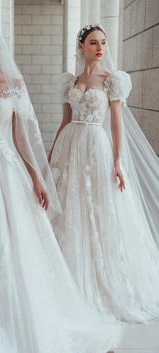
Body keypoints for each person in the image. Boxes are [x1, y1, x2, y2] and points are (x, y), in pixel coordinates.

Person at [0, 16, 121, 353]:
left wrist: (36, 178)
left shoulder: (14, 84)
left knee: (4, 239)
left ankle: (2, 310)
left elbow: (20, 137)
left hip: (4, 170)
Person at [49, 24, 159, 323]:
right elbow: (64, 121)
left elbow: (116, 124)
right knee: (70, 205)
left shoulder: (113, 81)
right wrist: (51, 154)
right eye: (94, 42)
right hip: (70, 145)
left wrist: (117, 162)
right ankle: (67, 276)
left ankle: (100, 274)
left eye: (104, 42)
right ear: (81, 46)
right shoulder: (70, 81)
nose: (100, 48)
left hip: (96, 146)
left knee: (97, 204)